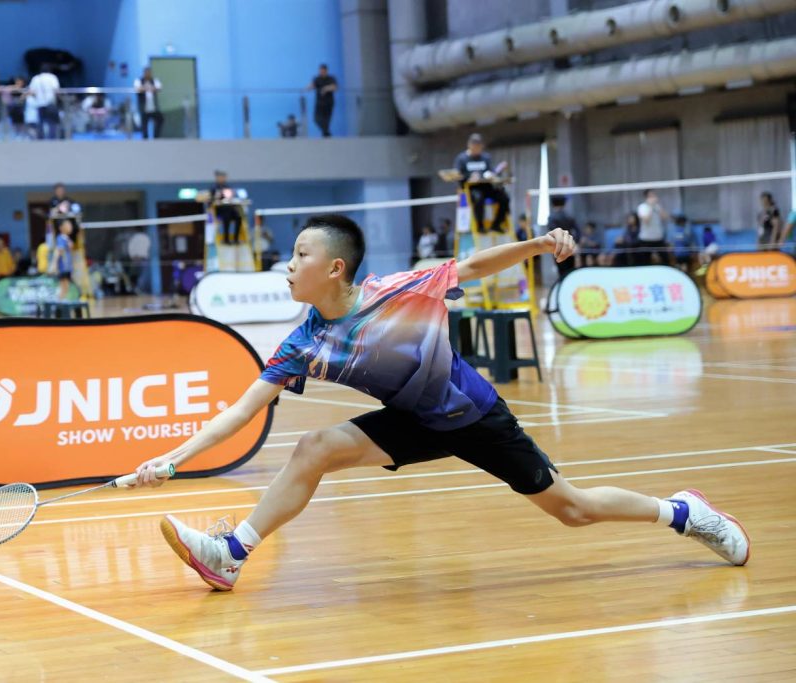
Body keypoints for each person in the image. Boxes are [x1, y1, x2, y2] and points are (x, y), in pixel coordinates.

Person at [131, 214, 750, 592]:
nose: (287, 265)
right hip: (412, 420)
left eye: (300, 255)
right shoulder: (305, 343)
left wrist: (538, 244)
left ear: (335, 267)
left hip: (472, 415)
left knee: (573, 509)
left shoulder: (400, 290)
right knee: (314, 447)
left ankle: (683, 513)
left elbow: (475, 265)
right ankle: (232, 554)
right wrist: (172, 460)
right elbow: (242, 411)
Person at [453, 133, 510, 234]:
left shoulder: (485, 157)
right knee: (478, 198)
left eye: (479, 147)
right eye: (475, 147)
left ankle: (496, 225)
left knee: (504, 197)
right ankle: (480, 226)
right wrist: (469, 177)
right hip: (471, 188)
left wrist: (495, 173)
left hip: (487, 186)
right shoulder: (461, 159)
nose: (477, 150)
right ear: (470, 145)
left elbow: (491, 171)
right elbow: (457, 175)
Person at [547, 195, 580, 278]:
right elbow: (578, 231)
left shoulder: (552, 217)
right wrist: (575, 242)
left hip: (557, 248)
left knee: (561, 272)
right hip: (570, 246)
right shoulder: (569, 216)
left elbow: (552, 233)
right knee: (570, 272)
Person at [636, 189, 669, 266]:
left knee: (665, 260)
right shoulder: (642, 207)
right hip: (646, 239)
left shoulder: (657, 206)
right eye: (651, 196)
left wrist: (659, 208)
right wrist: (650, 207)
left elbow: (665, 217)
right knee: (645, 262)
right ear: (646, 198)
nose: (654, 197)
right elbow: (646, 220)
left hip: (658, 238)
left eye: (654, 195)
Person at [28, 64, 60, 139]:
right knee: (52, 122)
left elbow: (31, 91)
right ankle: (52, 138)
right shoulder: (52, 77)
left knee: (40, 121)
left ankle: (41, 138)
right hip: (50, 103)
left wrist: (37, 97)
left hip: (40, 103)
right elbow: (56, 90)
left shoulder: (36, 78)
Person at [210, 170, 242, 245]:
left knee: (238, 216)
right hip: (219, 210)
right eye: (221, 177)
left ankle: (236, 238)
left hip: (228, 208)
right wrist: (217, 196)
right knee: (226, 217)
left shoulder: (227, 187)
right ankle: (226, 239)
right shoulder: (214, 187)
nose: (222, 178)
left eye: (224, 177)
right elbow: (212, 200)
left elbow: (230, 197)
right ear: (217, 178)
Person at [306, 64, 337, 137]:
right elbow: (312, 86)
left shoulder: (331, 78)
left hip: (329, 103)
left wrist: (326, 88)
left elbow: (335, 87)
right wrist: (308, 87)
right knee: (316, 119)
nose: (322, 72)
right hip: (319, 103)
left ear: (326, 71)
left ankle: (326, 134)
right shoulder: (317, 79)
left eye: (323, 71)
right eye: (320, 71)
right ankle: (326, 132)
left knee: (327, 120)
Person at [134, 66, 164, 139]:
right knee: (144, 124)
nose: (148, 74)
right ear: (144, 73)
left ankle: (156, 136)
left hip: (153, 107)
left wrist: (148, 88)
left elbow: (159, 87)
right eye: (146, 72)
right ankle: (145, 138)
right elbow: (138, 89)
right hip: (144, 107)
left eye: (149, 72)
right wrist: (147, 88)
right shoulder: (138, 80)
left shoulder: (154, 80)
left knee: (160, 119)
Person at [52, 219, 75, 299]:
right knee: (63, 288)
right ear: (61, 227)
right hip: (63, 267)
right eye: (68, 225)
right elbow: (58, 252)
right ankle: (59, 304)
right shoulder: (60, 238)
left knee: (66, 288)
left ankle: (61, 303)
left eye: (70, 225)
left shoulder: (67, 239)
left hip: (68, 267)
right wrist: (54, 265)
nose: (70, 227)